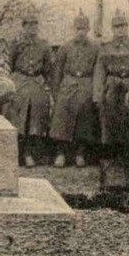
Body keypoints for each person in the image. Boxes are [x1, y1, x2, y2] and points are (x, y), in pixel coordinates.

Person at [93, 12, 129, 178]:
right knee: (110, 119)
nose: (120, 30)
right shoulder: (105, 48)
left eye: (123, 26)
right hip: (112, 86)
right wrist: (97, 95)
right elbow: (99, 72)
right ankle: (112, 156)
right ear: (112, 29)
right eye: (117, 27)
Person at [50, 11, 100, 167]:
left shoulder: (95, 48)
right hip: (68, 82)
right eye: (78, 28)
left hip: (86, 82)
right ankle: (61, 152)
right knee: (62, 112)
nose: (81, 32)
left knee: (85, 114)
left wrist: (94, 90)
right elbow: (57, 71)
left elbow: (97, 71)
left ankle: (80, 152)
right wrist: (56, 92)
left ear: (88, 29)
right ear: (74, 29)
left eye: (84, 29)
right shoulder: (65, 47)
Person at [4, 10, 53, 168]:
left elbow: (48, 69)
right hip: (19, 78)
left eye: (34, 24)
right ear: (23, 26)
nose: (32, 28)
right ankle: (17, 151)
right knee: (17, 107)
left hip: (37, 80)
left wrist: (47, 85)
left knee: (39, 106)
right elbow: (9, 65)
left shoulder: (43, 45)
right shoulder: (16, 44)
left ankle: (31, 152)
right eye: (28, 24)